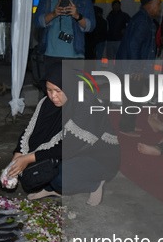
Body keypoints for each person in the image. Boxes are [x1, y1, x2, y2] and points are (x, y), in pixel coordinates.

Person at [7, 64, 120, 206]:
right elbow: (33, 131)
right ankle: (51, 189)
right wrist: (17, 157)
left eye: (58, 91)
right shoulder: (49, 102)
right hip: (73, 151)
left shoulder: (86, 106)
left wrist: (29, 158)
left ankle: (95, 183)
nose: (53, 96)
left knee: (58, 178)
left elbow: (68, 148)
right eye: (49, 90)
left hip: (99, 157)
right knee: (35, 172)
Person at [33, 0, 95, 72]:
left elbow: (91, 26)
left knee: (72, 89)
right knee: (52, 89)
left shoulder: (84, 0)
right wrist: (53, 14)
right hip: (51, 54)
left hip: (75, 55)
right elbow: (37, 22)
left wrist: (77, 16)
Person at [116, 0, 161, 138]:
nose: (160, 7)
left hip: (131, 68)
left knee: (133, 98)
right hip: (132, 69)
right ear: (149, 5)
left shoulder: (144, 19)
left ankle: (129, 125)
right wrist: (138, 68)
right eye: (158, 4)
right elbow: (133, 45)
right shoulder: (142, 21)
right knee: (131, 99)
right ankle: (125, 128)